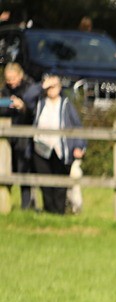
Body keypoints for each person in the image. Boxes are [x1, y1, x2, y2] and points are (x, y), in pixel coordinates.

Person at [30, 74, 85, 215]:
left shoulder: (66, 104)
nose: (52, 89)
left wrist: (79, 146)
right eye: (49, 87)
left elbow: (78, 127)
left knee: (61, 183)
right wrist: (42, 85)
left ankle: (59, 212)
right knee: (45, 182)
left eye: (55, 86)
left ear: (60, 88)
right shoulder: (40, 102)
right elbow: (27, 97)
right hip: (41, 147)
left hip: (62, 149)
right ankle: (48, 211)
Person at [2, 62, 42, 210]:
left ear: (20, 75)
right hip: (7, 138)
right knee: (6, 170)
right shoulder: (4, 90)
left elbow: (34, 113)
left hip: (25, 138)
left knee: (24, 171)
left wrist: (22, 107)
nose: (10, 82)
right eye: (7, 79)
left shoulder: (30, 88)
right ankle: (5, 205)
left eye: (12, 78)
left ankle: (27, 206)